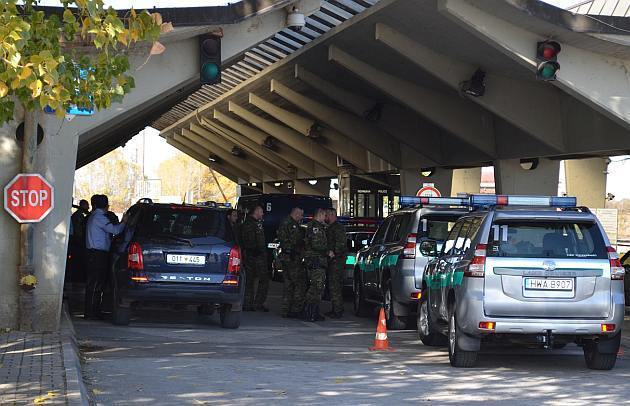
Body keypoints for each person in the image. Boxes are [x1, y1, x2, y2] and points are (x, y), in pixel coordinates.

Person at [84, 194, 126, 319]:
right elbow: (115, 230)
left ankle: (93, 311)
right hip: (97, 255)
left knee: (95, 284)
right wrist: (124, 222)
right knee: (95, 284)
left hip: (94, 254)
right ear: (106, 205)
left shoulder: (94, 216)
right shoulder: (99, 217)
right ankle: (91, 312)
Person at [303, 208, 331, 322]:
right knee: (315, 287)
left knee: (319, 287)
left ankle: (314, 311)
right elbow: (316, 244)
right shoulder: (315, 227)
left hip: (319, 260)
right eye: (325, 215)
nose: (325, 218)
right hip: (316, 260)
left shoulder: (318, 227)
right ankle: (308, 311)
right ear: (320, 215)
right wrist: (327, 251)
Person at [277, 207, 305, 318]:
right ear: (296, 213)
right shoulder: (289, 224)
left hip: (289, 256)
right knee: (298, 283)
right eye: (301, 215)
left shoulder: (291, 223)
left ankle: (286, 309)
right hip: (291, 257)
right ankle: (295, 309)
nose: (302, 217)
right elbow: (287, 241)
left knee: (289, 284)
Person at [240, 205, 269, 312]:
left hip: (258, 255)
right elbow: (248, 240)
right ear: (256, 212)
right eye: (261, 212)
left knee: (257, 280)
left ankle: (254, 303)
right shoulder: (249, 224)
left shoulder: (257, 223)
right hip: (253, 256)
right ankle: (250, 303)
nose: (262, 214)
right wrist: (254, 250)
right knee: (253, 280)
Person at [325, 208, 347, 319]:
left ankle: (337, 310)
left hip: (337, 261)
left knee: (335, 286)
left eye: (327, 215)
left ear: (332, 214)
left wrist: (335, 254)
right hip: (333, 261)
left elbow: (341, 244)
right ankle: (335, 308)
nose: (326, 217)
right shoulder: (331, 228)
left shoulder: (338, 228)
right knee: (333, 286)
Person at [67, 199, 89, 283]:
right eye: (87, 205)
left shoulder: (80, 215)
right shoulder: (78, 216)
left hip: (77, 240)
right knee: (76, 260)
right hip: (77, 241)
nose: (88, 207)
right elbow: (78, 229)